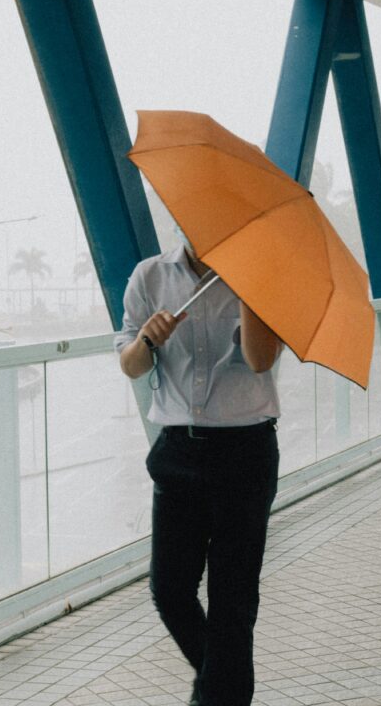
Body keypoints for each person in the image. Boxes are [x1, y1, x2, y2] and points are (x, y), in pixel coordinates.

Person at [115, 232, 281, 706]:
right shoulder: (149, 276)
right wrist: (149, 336)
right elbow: (130, 365)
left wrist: (251, 287)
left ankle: (215, 697)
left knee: (232, 601)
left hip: (245, 453)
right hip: (177, 452)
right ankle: (223, 693)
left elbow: (260, 359)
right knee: (169, 590)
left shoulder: (260, 277)